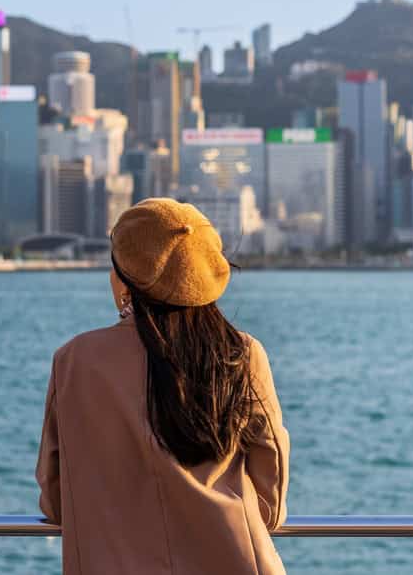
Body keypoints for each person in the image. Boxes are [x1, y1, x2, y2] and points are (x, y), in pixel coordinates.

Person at [36, 198, 290, 574]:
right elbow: (272, 489)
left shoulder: (74, 360)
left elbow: (56, 498)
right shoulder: (241, 354)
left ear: (123, 278)